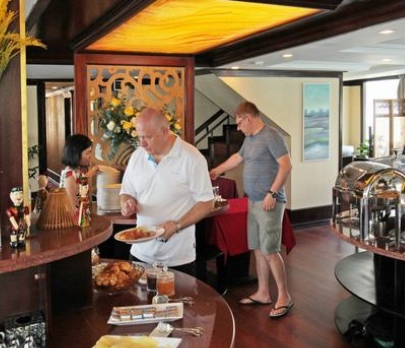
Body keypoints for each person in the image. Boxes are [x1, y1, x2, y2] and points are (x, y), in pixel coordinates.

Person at [209, 101, 294, 319]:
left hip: (269, 202)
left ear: (248, 119)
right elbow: (238, 158)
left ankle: (284, 297)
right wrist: (217, 170)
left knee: (270, 250)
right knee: (257, 248)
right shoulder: (250, 139)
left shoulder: (272, 136)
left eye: (239, 123)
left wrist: (272, 193)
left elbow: (286, 165)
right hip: (253, 200)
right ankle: (263, 293)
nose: (238, 128)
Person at [119, 107, 214, 275]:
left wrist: (177, 225)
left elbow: (207, 203)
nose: (142, 143)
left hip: (177, 257)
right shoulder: (137, 156)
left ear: (164, 131)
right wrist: (126, 202)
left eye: (148, 137)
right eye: (139, 137)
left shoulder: (191, 157)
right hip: (140, 253)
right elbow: (127, 191)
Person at [61, 134, 99, 213]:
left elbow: (82, 182)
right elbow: (72, 209)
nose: (90, 156)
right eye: (87, 153)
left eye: (90, 152)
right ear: (76, 154)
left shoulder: (78, 171)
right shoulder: (69, 176)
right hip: (74, 219)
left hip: (82, 216)